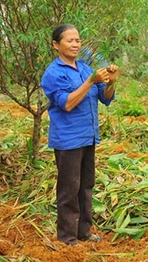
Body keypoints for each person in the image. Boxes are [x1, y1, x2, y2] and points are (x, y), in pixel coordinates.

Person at [41, 24, 119, 245]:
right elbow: (67, 103)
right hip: (68, 140)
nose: (75, 44)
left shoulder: (85, 68)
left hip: (88, 136)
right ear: (56, 44)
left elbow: (106, 98)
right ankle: (67, 237)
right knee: (69, 189)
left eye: (77, 40)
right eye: (70, 40)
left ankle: (83, 231)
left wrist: (111, 80)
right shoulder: (53, 73)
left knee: (85, 185)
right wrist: (90, 82)